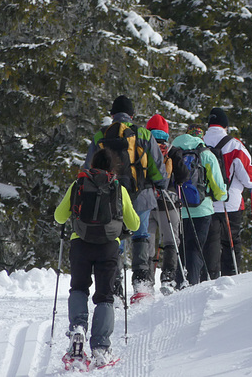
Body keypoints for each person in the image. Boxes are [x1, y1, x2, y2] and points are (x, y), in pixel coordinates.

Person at [55, 148, 140, 369]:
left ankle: (78, 329)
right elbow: (134, 224)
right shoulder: (118, 188)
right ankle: (101, 347)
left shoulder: (78, 184)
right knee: (104, 296)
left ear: (92, 164)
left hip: (80, 242)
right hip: (108, 246)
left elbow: (59, 216)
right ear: (112, 168)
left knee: (79, 288)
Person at [82, 95, 168, 299]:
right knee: (141, 236)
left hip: (109, 196)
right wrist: (160, 184)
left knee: (115, 237)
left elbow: (88, 167)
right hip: (141, 195)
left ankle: (115, 285)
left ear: (112, 115)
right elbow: (156, 166)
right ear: (132, 114)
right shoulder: (144, 134)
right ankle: (141, 284)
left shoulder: (100, 135)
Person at [202, 108, 252, 278]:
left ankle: (208, 278)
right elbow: (249, 180)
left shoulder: (199, 142)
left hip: (204, 203)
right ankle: (231, 277)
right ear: (225, 125)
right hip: (230, 203)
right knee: (231, 242)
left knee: (209, 242)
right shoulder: (234, 145)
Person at [171, 131, 227, 286]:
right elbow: (218, 185)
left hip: (177, 208)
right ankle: (192, 283)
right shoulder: (205, 154)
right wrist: (220, 196)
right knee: (195, 248)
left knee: (181, 247)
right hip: (202, 209)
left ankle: (179, 281)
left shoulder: (172, 152)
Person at [145, 114, 190, 295]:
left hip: (147, 202)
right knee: (171, 240)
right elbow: (183, 177)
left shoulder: (142, 148)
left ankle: (146, 280)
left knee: (147, 242)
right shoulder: (172, 150)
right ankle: (168, 278)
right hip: (168, 202)